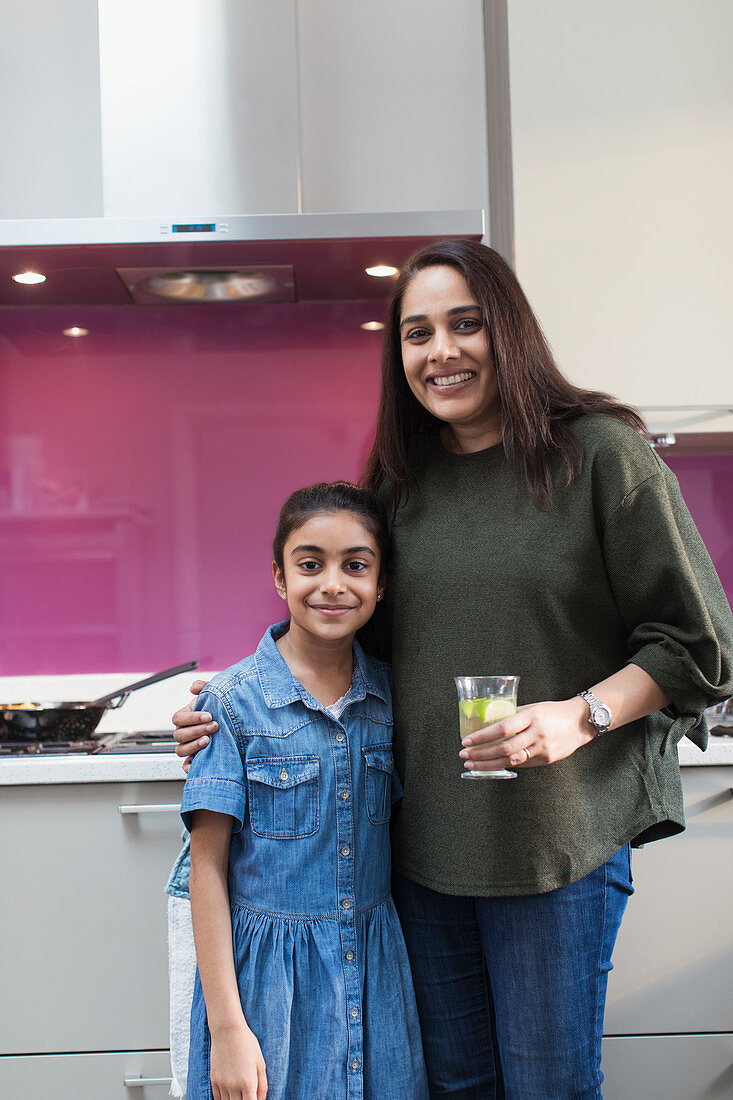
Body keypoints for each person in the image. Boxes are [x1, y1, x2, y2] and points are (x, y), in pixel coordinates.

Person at [174, 240, 733, 1099]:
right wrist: (239, 701)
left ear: (506, 330)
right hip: (422, 853)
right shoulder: (403, 483)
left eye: (465, 325)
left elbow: (700, 642)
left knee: (547, 1086)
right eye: (416, 332)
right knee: (457, 1087)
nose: (441, 351)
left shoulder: (598, 456)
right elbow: (346, 625)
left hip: (555, 844)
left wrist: (578, 714)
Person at [177, 482, 428, 1100]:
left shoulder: (394, 699)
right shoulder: (230, 706)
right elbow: (206, 872)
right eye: (311, 564)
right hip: (265, 993)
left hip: (376, 977)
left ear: (382, 582)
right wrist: (227, 1027)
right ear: (281, 577)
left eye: (356, 566)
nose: (333, 584)